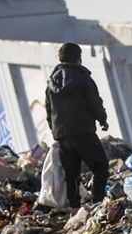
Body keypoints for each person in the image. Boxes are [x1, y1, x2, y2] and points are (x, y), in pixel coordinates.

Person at [44, 43, 110, 209]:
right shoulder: (83, 79)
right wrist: (102, 120)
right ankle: (98, 203)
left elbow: (49, 111)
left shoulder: (51, 84)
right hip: (83, 132)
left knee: (71, 173)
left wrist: (56, 131)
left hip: (63, 135)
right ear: (78, 59)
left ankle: (75, 208)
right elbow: (95, 103)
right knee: (100, 166)